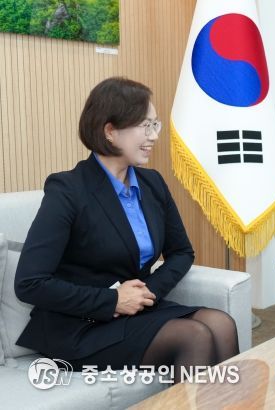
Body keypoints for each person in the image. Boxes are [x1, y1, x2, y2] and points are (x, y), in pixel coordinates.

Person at [14, 77, 239, 381]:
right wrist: (113, 301)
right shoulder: (68, 190)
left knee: (222, 323)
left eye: (155, 125)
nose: (153, 136)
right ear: (110, 131)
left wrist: (147, 292)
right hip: (79, 325)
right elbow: (29, 283)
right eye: (145, 126)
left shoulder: (152, 183)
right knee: (194, 336)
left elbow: (182, 252)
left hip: (135, 311)